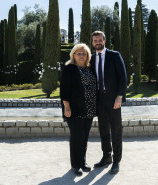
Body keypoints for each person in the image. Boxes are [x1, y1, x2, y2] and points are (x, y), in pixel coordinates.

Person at [90, 31, 127, 174]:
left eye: (100, 39)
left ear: (104, 41)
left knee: (116, 130)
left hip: (113, 100)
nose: (97, 42)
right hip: (99, 100)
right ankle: (106, 157)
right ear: (92, 43)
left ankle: (116, 161)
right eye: (95, 40)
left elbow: (123, 78)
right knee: (103, 130)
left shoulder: (114, 55)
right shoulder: (92, 58)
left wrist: (119, 97)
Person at [60, 43, 97, 176]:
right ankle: (75, 165)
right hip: (74, 109)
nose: (81, 56)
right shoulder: (69, 68)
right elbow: (64, 89)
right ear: (73, 55)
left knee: (85, 136)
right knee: (77, 136)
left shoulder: (90, 68)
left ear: (87, 55)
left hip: (89, 108)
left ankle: (82, 161)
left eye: (84, 53)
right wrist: (66, 106)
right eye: (79, 53)